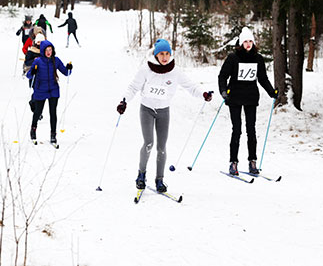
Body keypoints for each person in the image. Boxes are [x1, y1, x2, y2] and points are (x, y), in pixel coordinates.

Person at [117, 39, 213, 192]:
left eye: (167, 54)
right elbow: (133, 87)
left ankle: (159, 180)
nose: (164, 57)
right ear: (156, 55)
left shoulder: (175, 71)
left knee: (162, 147)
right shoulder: (146, 69)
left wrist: (204, 94)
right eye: (161, 54)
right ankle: (141, 175)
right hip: (146, 110)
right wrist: (124, 101)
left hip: (163, 112)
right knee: (148, 143)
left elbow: (190, 86)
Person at [218, 27, 277, 176]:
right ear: (241, 42)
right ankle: (233, 163)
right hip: (235, 97)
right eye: (245, 41)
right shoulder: (233, 57)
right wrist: (224, 92)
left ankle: (252, 162)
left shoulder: (258, 58)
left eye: (251, 41)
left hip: (251, 97)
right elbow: (222, 76)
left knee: (251, 130)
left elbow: (262, 78)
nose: (248, 44)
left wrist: (272, 92)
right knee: (236, 130)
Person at [26, 40, 72, 145]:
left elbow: (66, 72)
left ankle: (53, 136)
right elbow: (29, 76)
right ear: (42, 51)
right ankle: (33, 131)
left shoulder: (55, 60)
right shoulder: (37, 61)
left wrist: (69, 68)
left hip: (53, 90)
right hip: (40, 90)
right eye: (46, 50)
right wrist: (32, 72)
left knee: (53, 113)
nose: (48, 52)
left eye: (50, 50)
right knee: (38, 112)